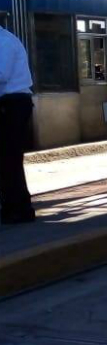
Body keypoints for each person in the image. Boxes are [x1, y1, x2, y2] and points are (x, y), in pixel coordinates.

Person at [0, 25, 35, 224]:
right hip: (9, 104)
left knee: (9, 158)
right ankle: (11, 206)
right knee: (6, 159)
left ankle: (20, 208)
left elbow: (1, 75)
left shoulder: (4, 41)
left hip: (13, 104)